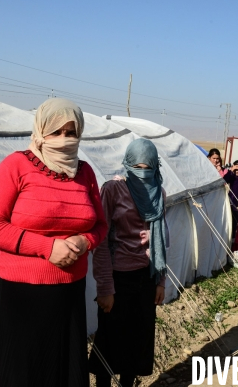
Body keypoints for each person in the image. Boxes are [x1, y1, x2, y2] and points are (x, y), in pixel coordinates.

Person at [0, 98, 108, 387]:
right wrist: (47, 248)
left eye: (71, 132)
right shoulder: (16, 166)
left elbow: (101, 225)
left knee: (63, 366)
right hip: (23, 291)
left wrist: (85, 241)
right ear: (40, 132)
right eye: (56, 132)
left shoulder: (84, 172)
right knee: (25, 368)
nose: (64, 140)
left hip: (70, 290)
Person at [89, 139, 168, 387]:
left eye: (148, 167)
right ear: (127, 165)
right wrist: (105, 287)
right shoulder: (113, 190)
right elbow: (101, 241)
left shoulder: (159, 192)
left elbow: (161, 241)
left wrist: (160, 282)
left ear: (156, 167)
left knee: (138, 336)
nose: (143, 173)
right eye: (137, 167)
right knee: (110, 337)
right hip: (117, 278)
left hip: (146, 277)